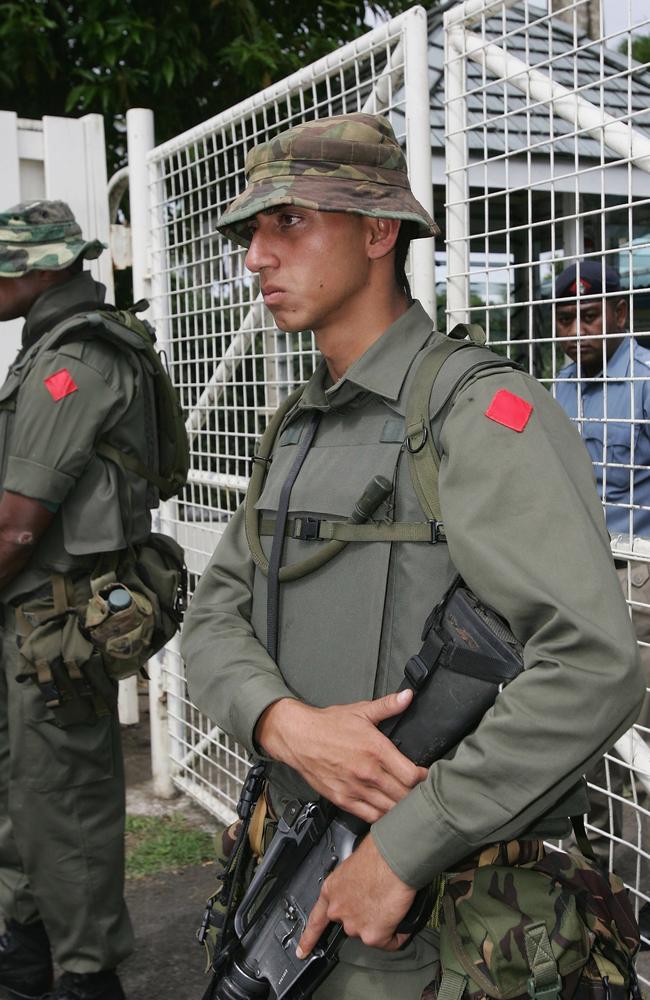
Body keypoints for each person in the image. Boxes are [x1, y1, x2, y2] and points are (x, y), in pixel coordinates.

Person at [181, 114, 644, 1000]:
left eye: (289, 222)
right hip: (295, 870)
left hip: (448, 919)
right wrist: (285, 724)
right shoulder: (299, 427)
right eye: (251, 232)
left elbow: (594, 666)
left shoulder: (478, 414)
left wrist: (405, 843)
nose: (256, 258)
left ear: (377, 231)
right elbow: (214, 618)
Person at [0, 200, 160, 1000]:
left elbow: (18, 526)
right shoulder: (50, 348)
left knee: (65, 795)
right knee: (22, 787)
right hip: (33, 612)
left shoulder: (78, 359)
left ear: (46, 266)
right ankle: (25, 950)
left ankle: (89, 976)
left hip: (54, 615)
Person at [553, 259, 650, 929]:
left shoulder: (644, 379)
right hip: (574, 578)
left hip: (637, 579)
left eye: (591, 316)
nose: (578, 330)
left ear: (619, 313)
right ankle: (596, 884)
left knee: (637, 743)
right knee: (585, 741)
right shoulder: (559, 383)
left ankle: (639, 901)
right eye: (565, 319)